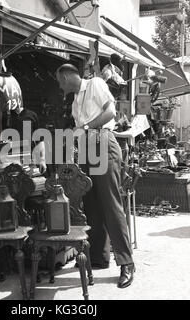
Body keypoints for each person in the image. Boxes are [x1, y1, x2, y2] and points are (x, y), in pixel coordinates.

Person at [55, 63, 135, 288]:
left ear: (67, 75)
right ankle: (99, 257)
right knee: (91, 203)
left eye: (60, 81)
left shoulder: (95, 84)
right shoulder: (74, 102)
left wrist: (86, 129)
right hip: (87, 148)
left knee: (111, 204)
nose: (60, 86)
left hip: (103, 142)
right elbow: (80, 130)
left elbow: (111, 112)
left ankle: (127, 263)